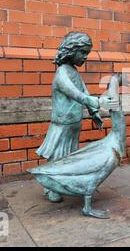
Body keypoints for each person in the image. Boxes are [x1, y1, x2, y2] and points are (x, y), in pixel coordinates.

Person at [36, 32, 116, 203]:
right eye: (83, 52)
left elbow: (83, 91)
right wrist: (98, 101)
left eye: (87, 53)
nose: (85, 57)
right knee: (57, 156)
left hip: (73, 123)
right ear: (72, 51)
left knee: (70, 157)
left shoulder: (73, 72)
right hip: (62, 124)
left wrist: (93, 112)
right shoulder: (61, 74)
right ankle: (51, 187)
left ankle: (63, 183)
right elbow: (78, 95)